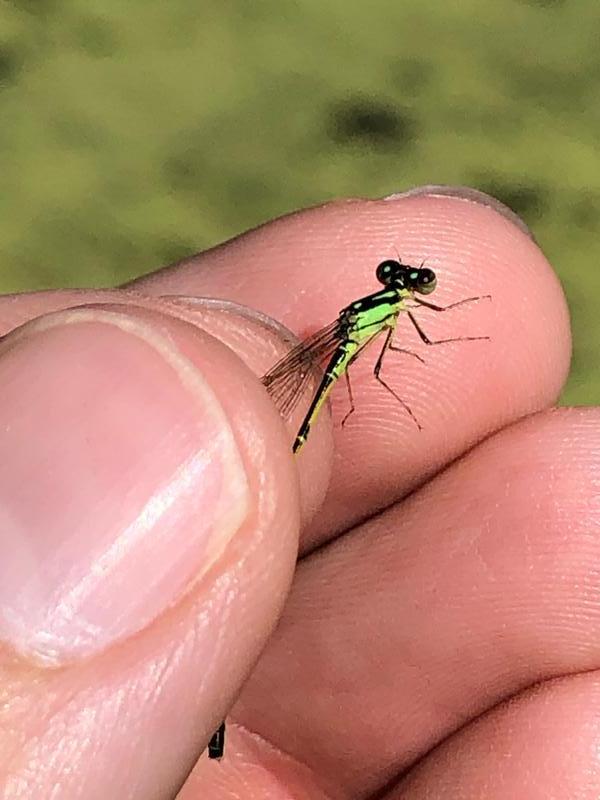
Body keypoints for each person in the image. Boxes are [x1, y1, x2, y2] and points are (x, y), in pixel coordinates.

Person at [0, 186, 591, 799]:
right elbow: (399, 359)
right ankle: (217, 694)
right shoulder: (383, 314)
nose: (411, 284)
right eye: (407, 280)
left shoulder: (380, 308)